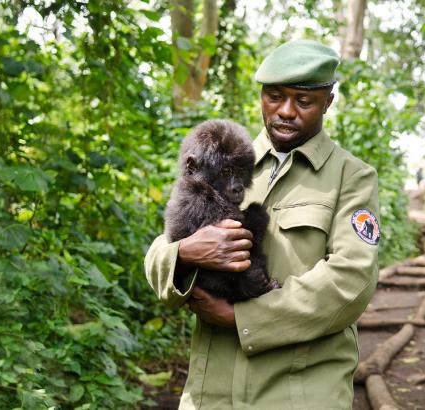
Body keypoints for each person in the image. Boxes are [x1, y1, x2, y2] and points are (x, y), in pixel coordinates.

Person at [144, 39, 380, 409]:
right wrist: (186, 254)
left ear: (327, 102)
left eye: (303, 101)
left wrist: (243, 317)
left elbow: (352, 280)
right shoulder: (224, 155)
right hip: (212, 394)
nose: (286, 111)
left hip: (297, 395)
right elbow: (165, 243)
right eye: (274, 97)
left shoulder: (351, 177)